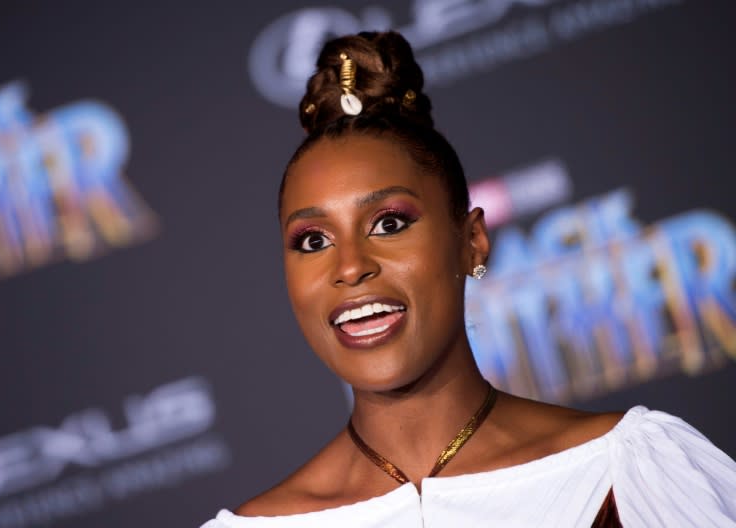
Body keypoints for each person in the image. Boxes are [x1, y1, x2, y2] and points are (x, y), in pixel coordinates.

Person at [202, 31, 736, 527]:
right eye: (313, 241)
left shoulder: (627, 472)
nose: (349, 267)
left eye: (389, 223)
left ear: (472, 240)